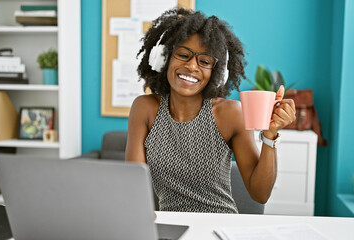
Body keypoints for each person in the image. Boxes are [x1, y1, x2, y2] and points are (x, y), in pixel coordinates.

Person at [125, 8, 296, 214]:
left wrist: (270, 136)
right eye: (183, 54)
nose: (191, 66)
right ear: (164, 58)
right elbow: (132, 187)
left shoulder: (231, 114)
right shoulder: (144, 108)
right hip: (171, 226)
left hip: (219, 224)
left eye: (204, 62)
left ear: (217, 73)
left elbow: (260, 194)